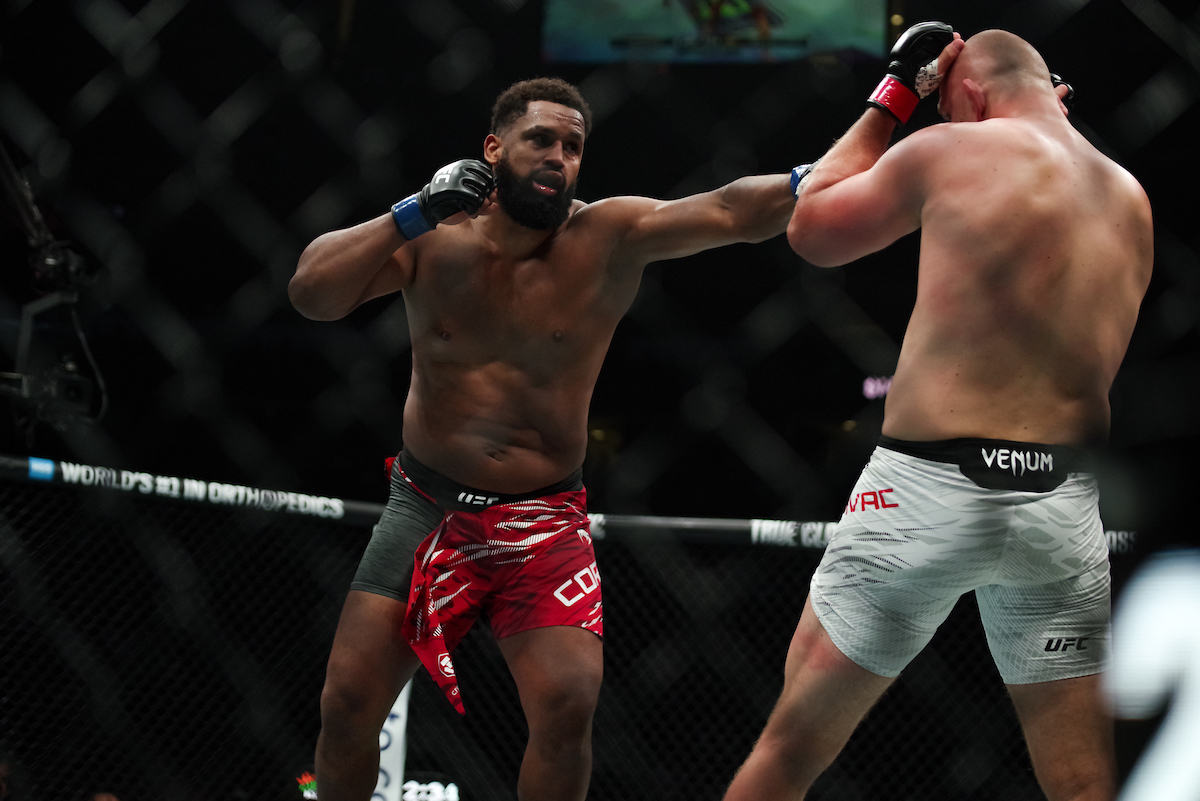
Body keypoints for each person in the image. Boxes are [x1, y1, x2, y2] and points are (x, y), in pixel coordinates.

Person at [289, 77, 798, 801]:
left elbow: (728, 210)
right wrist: (412, 211)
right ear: (494, 149)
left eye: (573, 146)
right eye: (541, 139)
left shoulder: (607, 237)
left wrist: (829, 170)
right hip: (427, 506)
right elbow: (312, 293)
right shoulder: (432, 239)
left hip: (542, 518)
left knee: (565, 710)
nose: (559, 156)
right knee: (345, 705)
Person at [723, 23, 1153, 801]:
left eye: (949, 105)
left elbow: (811, 229)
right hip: (1061, 507)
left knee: (790, 750)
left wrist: (894, 99)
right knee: (1087, 783)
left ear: (974, 93)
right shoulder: (1127, 194)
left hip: (927, 491)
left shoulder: (954, 148)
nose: (947, 120)